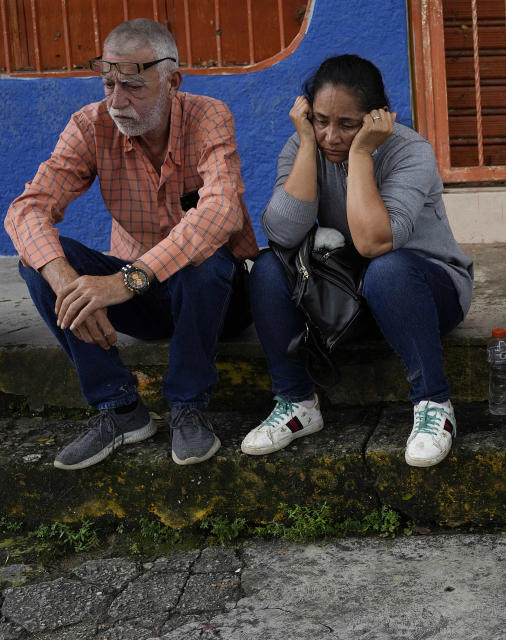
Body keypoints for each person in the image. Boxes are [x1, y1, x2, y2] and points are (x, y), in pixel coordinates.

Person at [4, 19, 257, 469]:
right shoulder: (90, 125)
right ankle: (119, 410)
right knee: (39, 259)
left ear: (173, 81)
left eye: (134, 87)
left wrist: (127, 279)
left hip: (217, 300)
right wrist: (65, 281)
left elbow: (222, 212)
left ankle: (188, 406)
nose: (118, 102)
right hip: (142, 300)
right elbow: (27, 209)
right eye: (108, 85)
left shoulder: (208, 116)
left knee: (205, 260)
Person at [242, 54, 473, 467]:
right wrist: (306, 144)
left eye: (347, 125)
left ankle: (434, 404)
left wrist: (362, 154)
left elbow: (374, 243)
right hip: (348, 295)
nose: (332, 135)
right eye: (321, 120)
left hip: (423, 291)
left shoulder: (409, 151)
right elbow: (282, 233)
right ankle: (297, 403)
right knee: (267, 268)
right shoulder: (305, 144)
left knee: (388, 269)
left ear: (377, 118)